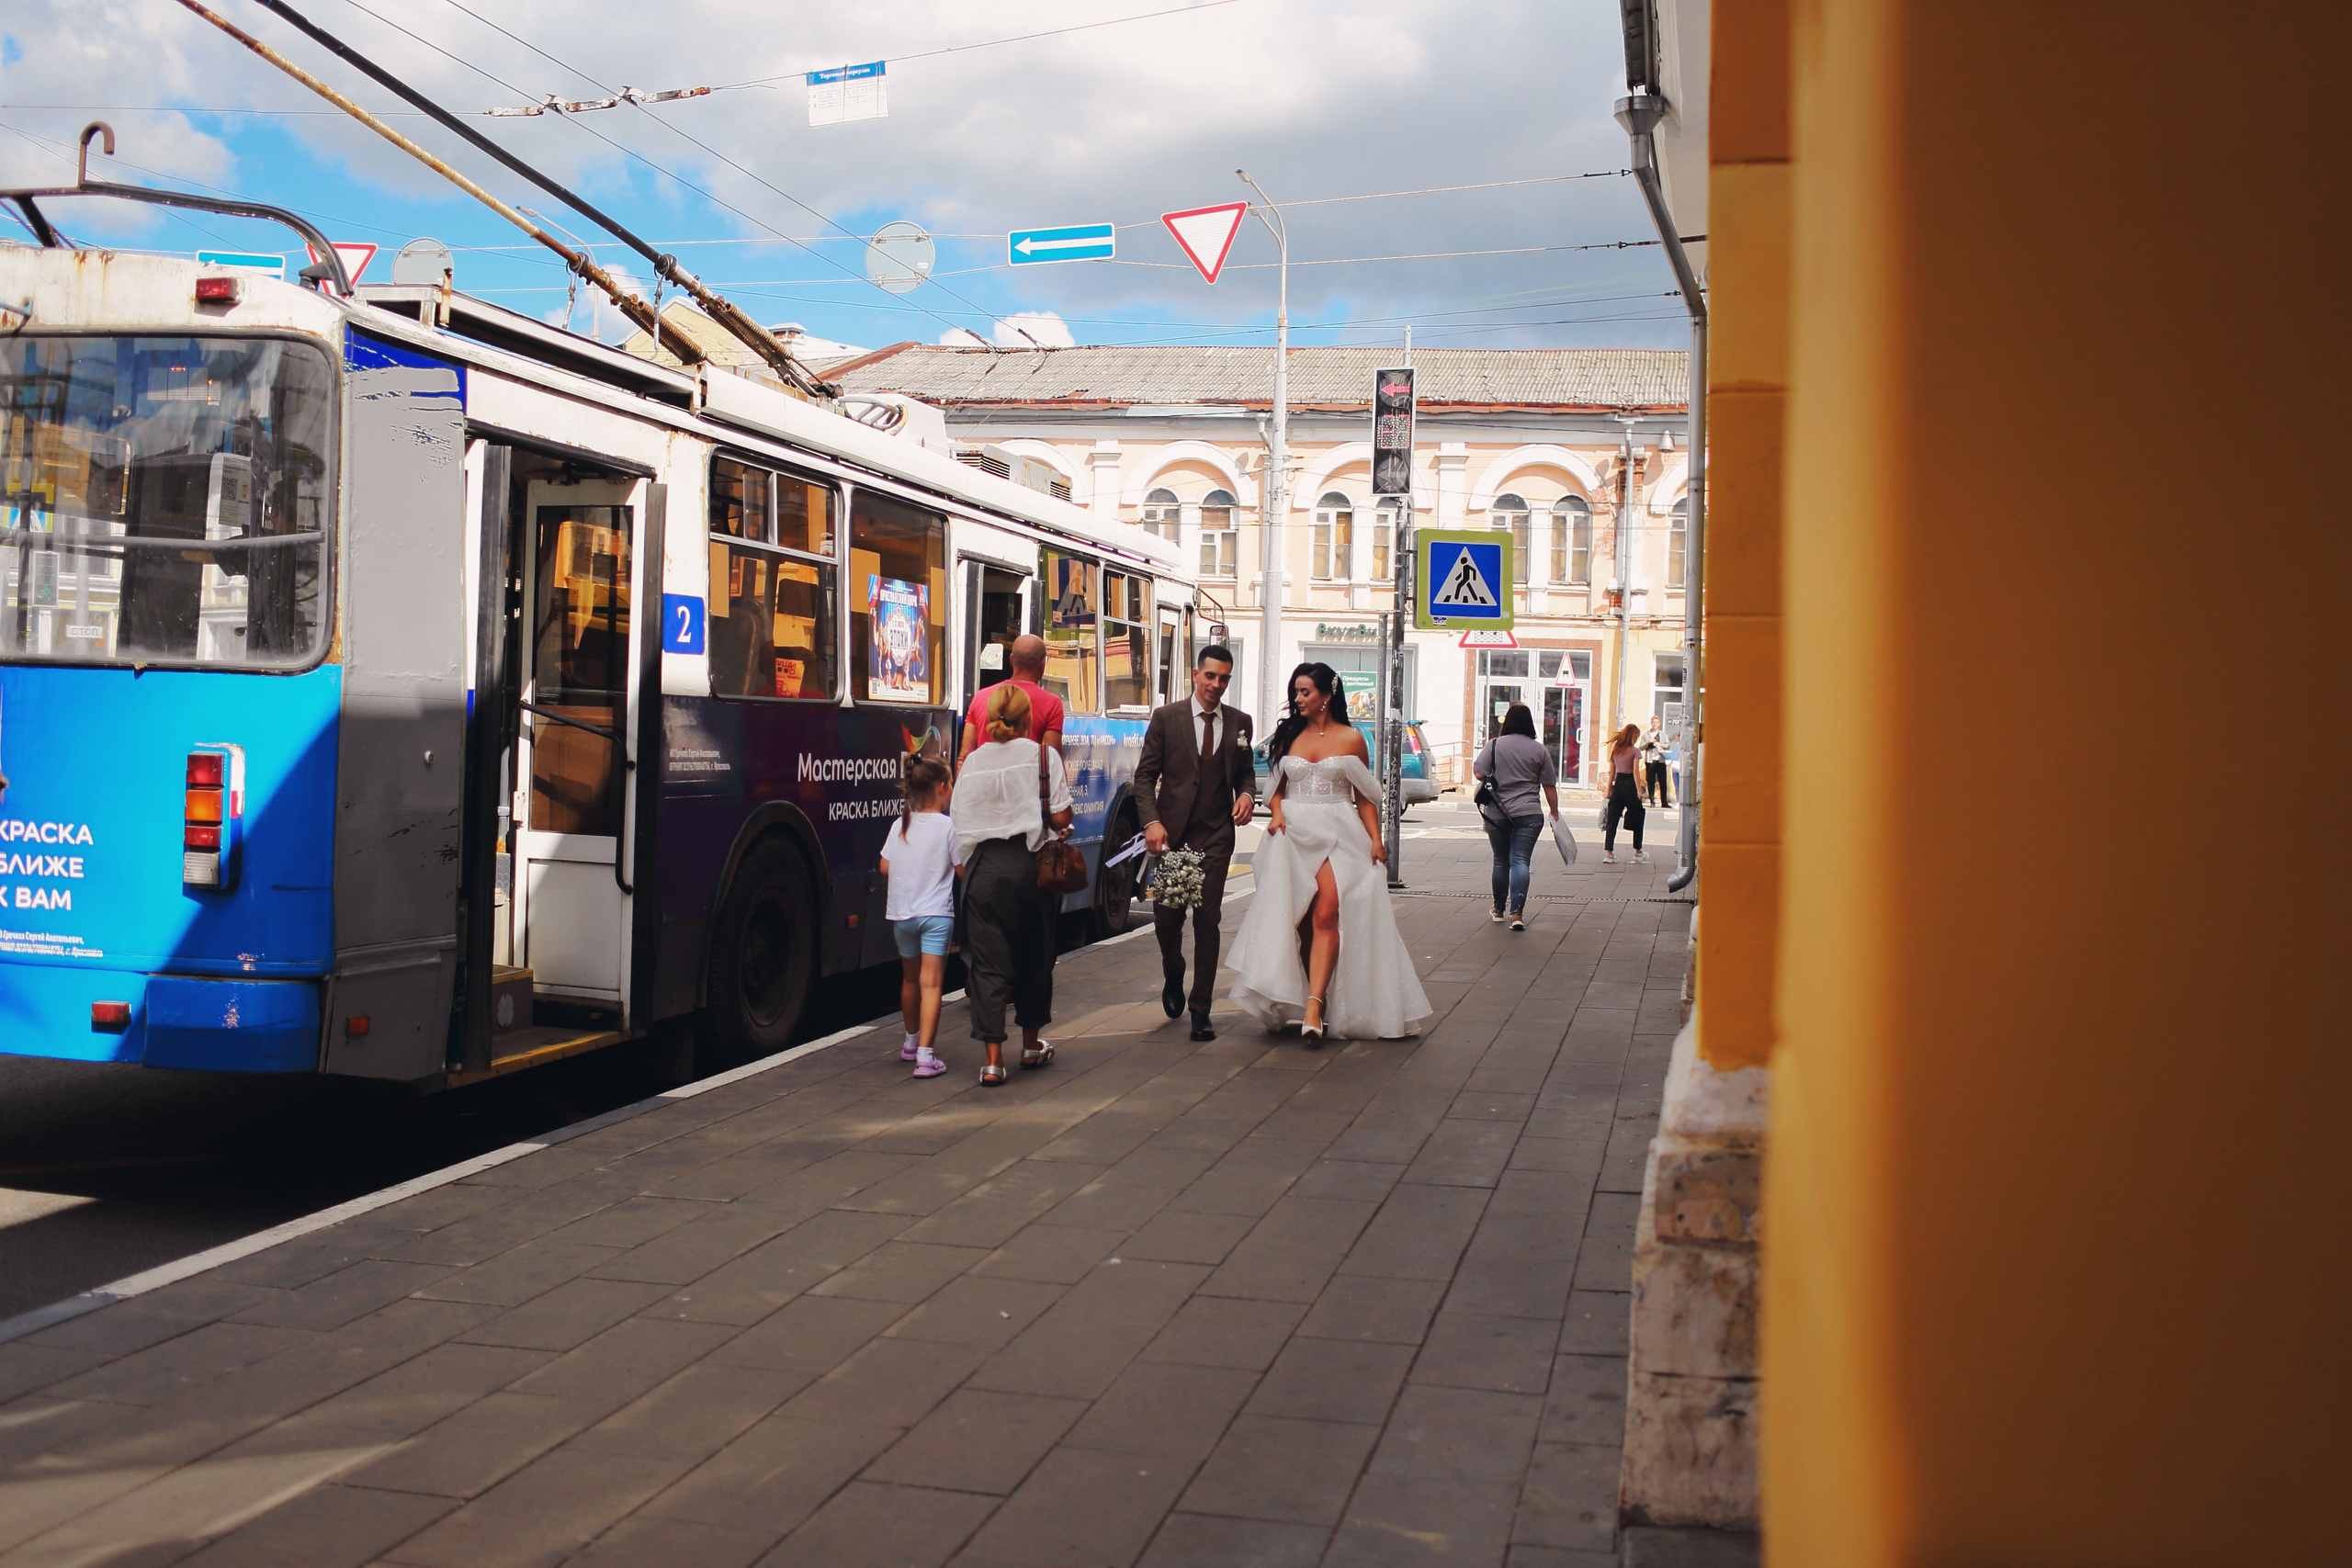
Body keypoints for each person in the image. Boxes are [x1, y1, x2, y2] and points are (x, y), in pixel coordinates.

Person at [1230, 662, 1432, 1043]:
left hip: (1340, 832)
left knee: (1327, 913)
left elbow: (1365, 797)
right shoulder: (1288, 736)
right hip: (1294, 834)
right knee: (1298, 921)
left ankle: (1313, 1006)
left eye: (1305, 692)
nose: (1298, 699)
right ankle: (1300, 997)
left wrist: (1376, 839)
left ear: (1326, 696)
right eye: (1296, 692)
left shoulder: (1353, 739)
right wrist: (1275, 814)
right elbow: (1274, 788)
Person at [951, 683, 1073, 1085]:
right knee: (1035, 956)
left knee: (988, 965)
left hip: (983, 872)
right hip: (1030, 869)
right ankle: (1030, 1046)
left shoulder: (971, 763)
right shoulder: (1043, 755)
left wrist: (966, 871)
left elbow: (959, 825)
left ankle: (991, 1061)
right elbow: (1059, 818)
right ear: (1028, 720)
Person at [1133, 644, 1255, 1042]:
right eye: (1210, 676)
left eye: (1224, 679)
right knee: (1167, 919)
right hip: (1173, 835)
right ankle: (1173, 972)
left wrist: (1247, 795)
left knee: (1207, 917)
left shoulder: (1240, 722)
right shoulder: (1167, 718)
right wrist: (1151, 821)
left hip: (1216, 834)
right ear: (1196, 675)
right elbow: (1145, 777)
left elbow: (1246, 772)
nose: (1216, 685)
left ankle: (1201, 1009)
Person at [881, 759, 956, 1078]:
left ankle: (911, 1043)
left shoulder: (901, 824)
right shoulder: (947, 826)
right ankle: (926, 1057)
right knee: (932, 983)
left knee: (910, 980)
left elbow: (885, 867)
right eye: (951, 786)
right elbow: (962, 867)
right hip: (936, 915)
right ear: (941, 789)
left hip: (902, 914)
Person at [1473, 703, 1561, 931]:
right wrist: (1554, 811)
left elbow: (1479, 773)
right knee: (1520, 861)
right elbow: (1549, 785)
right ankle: (1517, 914)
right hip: (1529, 813)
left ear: (1508, 722)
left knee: (1501, 861)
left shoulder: (1494, 745)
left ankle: (1498, 909)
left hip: (1498, 814)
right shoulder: (1539, 750)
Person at [959, 634, 1064, 765]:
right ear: (1042, 664)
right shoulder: (1052, 704)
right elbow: (1052, 763)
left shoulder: (980, 697)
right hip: (1026, 783)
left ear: (1011, 660)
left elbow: (964, 758)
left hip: (984, 783)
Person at [1603, 721, 1647, 864]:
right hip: (1630, 785)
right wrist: (1639, 791)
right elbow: (1635, 772)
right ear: (1633, 736)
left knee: (1612, 820)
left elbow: (1611, 773)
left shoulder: (1616, 750)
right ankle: (1638, 851)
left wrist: (1608, 791)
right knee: (1638, 816)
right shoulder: (1635, 751)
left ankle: (1609, 853)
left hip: (1617, 785)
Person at [1642, 718, 1673, 807]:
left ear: (1659, 724)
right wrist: (1648, 742)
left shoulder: (1663, 734)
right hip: (1650, 760)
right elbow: (1641, 747)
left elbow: (1668, 745)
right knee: (1650, 780)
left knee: (1663, 781)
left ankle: (1664, 802)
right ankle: (1652, 801)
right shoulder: (1646, 735)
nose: (1654, 724)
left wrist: (1661, 745)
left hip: (1660, 759)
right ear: (1651, 723)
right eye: (1653, 722)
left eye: (1656, 722)